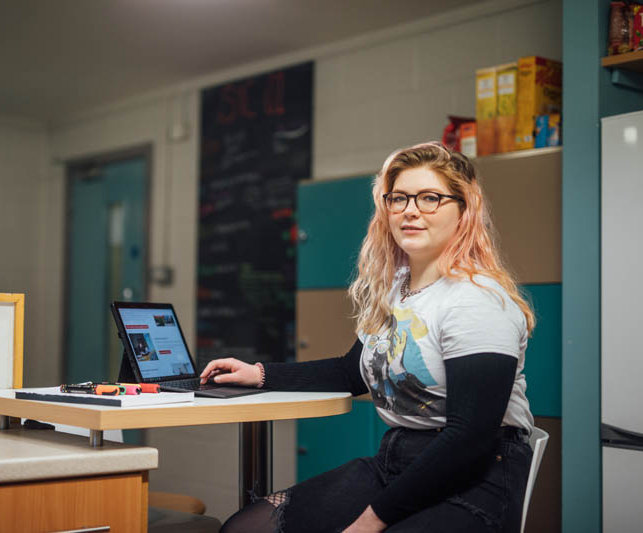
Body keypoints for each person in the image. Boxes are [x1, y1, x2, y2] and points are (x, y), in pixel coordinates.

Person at [200, 142, 536, 533]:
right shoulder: (397, 288)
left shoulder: (476, 301)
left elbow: (469, 437)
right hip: (396, 462)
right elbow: (350, 373)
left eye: (430, 198)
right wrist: (258, 374)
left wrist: (370, 520)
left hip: (477, 476)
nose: (410, 210)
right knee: (246, 529)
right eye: (400, 198)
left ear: (464, 211)